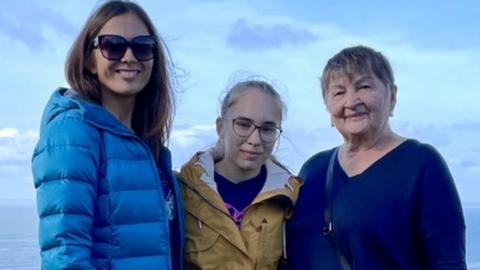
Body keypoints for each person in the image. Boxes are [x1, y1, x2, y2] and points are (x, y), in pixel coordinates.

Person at [31, 1, 184, 269]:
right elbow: (65, 256)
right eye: (112, 46)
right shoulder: (73, 132)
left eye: (142, 46)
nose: (129, 57)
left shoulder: (145, 144)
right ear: (90, 60)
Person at [286, 45, 466, 269]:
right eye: (339, 92)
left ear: (392, 96)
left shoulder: (420, 164)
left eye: (364, 87)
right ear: (328, 106)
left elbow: (448, 263)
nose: (351, 102)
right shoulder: (313, 169)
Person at [176, 79, 302, 269]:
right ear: (220, 127)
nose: (254, 140)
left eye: (267, 129)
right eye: (243, 125)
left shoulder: (290, 199)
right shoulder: (183, 192)